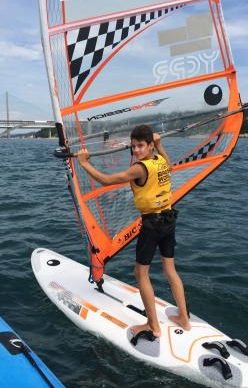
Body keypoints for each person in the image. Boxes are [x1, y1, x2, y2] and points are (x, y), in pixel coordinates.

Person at [77, 124, 191, 337]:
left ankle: (154, 326)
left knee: (141, 273)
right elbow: (170, 166)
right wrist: (159, 145)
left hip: (153, 225)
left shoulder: (139, 168)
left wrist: (84, 163)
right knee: (170, 269)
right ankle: (184, 318)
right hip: (169, 219)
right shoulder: (160, 160)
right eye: (133, 147)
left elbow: (106, 180)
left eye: (141, 146)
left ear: (148, 146)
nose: (136, 151)